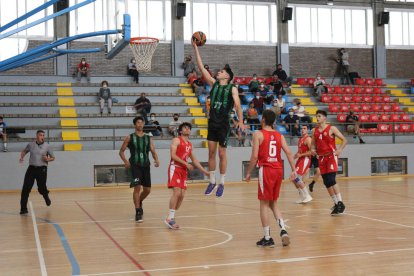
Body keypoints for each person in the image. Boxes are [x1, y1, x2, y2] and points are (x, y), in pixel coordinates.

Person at [193, 40, 245, 198]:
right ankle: (212, 181)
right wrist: (195, 47)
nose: (218, 72)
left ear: (227, 76)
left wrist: (241, 120)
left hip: (223, 123)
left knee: (222, 154)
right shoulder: (213, 84)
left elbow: (237, 103)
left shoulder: (232, 88)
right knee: (211, 153)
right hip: (212, 122)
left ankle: (222, 182)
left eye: (221, 71)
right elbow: (201, 68)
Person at [245, 110, 296, 248]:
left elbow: (254, 156)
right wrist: (294, 170)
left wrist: (248, 172)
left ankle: (267, 237)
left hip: (266, 169)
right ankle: (283, 230)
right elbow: (289, 153)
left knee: (264, 204)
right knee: (273, 203)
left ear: (263, 119)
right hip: (278, 170)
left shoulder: (258, 134)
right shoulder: (279, 135)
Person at [164, 122, 209, 229]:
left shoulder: (189, 144)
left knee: (182, 195)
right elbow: (173, 155)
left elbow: (195, 160)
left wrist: (205, 172)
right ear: (180, 131)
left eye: (189, 128)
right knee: (177, 192)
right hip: (175, 168)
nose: (187, 129)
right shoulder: (176, 140)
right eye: (185, 127)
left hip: (183, 171)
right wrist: (186, 164)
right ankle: (169, 218)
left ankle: (172, 216)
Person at [119, 116, 160, 222]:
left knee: (147, 190)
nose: (140, 124)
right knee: (137, 188)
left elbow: (153, 151)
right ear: (135, 125)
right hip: (135, 165)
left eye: (142, 123)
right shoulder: (130, 137)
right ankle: (138, 211)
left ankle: (140, 201)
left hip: (146, 165)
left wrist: (156, 160)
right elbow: (121, 151)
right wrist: (126, 162)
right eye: (138, 122)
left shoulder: (148, 138)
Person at [311, 110, 347, 215]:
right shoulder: (315, 131)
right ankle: (336, 203)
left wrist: (340, 149)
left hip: (331, 156)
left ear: (324, 118)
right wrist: (313, 150)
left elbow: (344, 140)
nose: (317, 118)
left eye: (319, 116)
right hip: (321, 158)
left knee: (331, 179)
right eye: (316, 116)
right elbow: (313, 145)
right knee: (326, 182)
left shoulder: (332, 128)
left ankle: (340, 202)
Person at [19, 130, 55, 215]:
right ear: (37, 136)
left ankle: (46, 196)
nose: (42, 137)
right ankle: (23, 209)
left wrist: (48, 159)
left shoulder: (47, 146)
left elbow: (53, 157)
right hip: (31, 169)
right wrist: (22, 157)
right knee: (26, 189)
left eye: (43, 135)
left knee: (41, 188)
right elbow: (24, 151)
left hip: (42, 169)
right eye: (40, 135)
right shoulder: (30, 145)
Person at [292, 125, 313, 204]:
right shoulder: (300, 139)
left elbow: (311, 152)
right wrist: (293, 157)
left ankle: (307, 195)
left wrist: (301, 155)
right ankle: (302, 196)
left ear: (308, 130)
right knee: (293, 178)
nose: (303, 130)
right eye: (302, 129)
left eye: (305, 128)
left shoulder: (308, 139)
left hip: (305, 159)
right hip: (300, 159)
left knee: (297, 177)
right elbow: (299, 152)